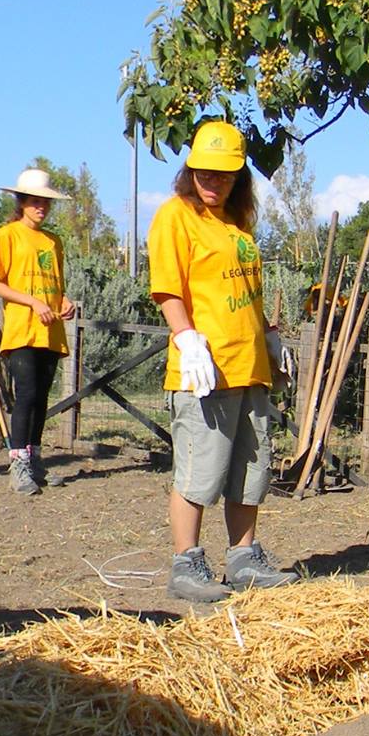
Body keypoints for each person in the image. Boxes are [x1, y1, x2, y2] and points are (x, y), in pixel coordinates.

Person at [147, 119, 296, 603]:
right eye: (204, 173)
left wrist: (268, 338)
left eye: (224, 174)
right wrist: (186, 337)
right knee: (199, 470)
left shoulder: (238, 225)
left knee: (250, 469)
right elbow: (169, 287)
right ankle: (186, 564)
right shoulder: (175, 216)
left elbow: (247, 291)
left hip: (248, 363)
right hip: (204, 367)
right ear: (190, 170)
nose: (213, 182)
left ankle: (244, 557)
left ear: (239, 177)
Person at [0, 166, 77, 496]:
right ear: (21, 201)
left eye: (46, 202)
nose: (41, 207)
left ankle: (35, 458)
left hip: (50, 331)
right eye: (35, 201)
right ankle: (18, 462)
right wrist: (32, 302)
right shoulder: (6, 236)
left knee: (41, 397)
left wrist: (64, 302)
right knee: (25, 395)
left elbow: (57, 286)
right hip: (22, 329)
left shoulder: (54, 242)